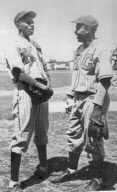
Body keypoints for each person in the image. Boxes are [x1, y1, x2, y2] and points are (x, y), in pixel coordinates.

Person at [52, 15, 113, 190]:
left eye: (79, 27)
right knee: (73, 134)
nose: (75, 31)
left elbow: (105, 80)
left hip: (93, 98)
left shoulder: (101, 48)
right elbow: (76, 76)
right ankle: (71, 170)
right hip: (78, 98)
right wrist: (70, 98)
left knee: (93, 137)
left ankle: (98, 178)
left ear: (89, 29)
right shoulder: (79, 50)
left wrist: (97, 109)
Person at [5, 11, 52, 191]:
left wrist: (47, 85)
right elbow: (18, 73)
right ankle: (14, 181)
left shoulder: (35, 45)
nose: (32, 25)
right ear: (18, 24)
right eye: (28, 22)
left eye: (33, 22)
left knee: (42, 132)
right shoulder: (12, 43)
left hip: (41, 92)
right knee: (21, 135)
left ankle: (43, 167)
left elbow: (44, 69)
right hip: (26, 92)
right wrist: (40, 88)